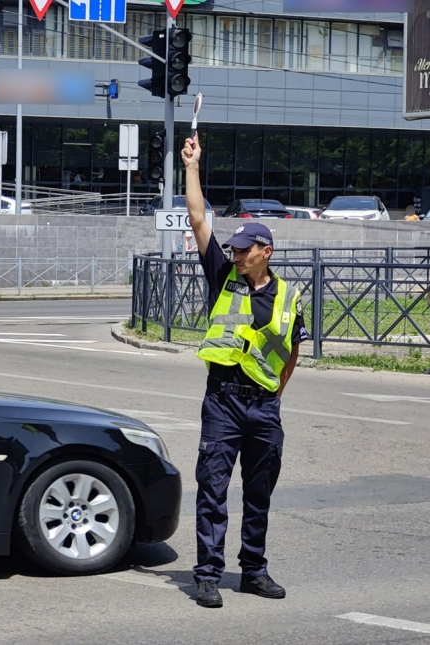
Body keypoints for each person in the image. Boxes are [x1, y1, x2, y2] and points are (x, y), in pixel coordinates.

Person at [181, 133, 309, 609]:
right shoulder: (222, 276)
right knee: (213, 490)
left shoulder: (288, 297)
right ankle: (208, 575)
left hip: (263, 407)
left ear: (265, 251)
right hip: (222, 401)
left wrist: (277, 390)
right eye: (232, 248)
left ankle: (253, 570)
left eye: (243, 249)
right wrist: (192, 167)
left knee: (259, 495)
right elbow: (197, 219)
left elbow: (292, 348)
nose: (234, 253)